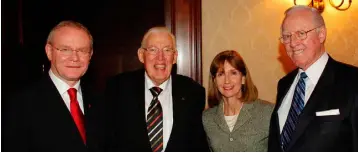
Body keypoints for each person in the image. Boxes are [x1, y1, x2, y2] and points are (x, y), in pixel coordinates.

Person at [2, 21, 103, 151]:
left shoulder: (100, 99)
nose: (75, 58)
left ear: (90, 55)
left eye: (82, 50)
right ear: (49, 51)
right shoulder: (19, 103)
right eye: (65, 49)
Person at [268, 5, 358, 152]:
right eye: (286, 36)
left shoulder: (352, 81)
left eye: (301, 33)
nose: (293, 42)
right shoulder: (284, 84)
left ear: (321, 34)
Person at [104, 27, 209, 151]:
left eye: (167, 50)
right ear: (141, 55)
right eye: (153, 50)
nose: (160, 58)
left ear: (175, 57)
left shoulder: (194, 93)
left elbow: (198, 146)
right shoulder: (117, 89)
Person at [203, 50, 274, 152]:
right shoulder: (207, 118)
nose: (227, 81)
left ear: (243, 78)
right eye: (221, 74)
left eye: (233, 73)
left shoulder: (268, 112)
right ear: (214, 80)